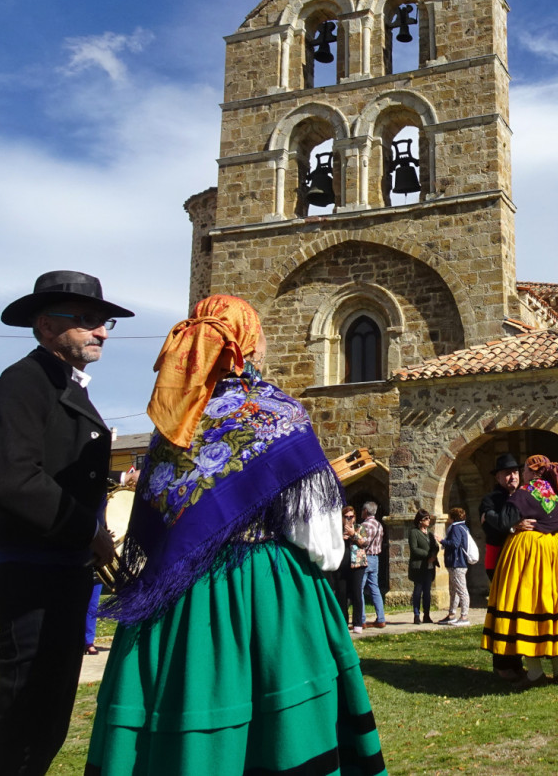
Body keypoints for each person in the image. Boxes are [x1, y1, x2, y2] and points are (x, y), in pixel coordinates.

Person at [86, 294, 385, 776]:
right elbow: (320, 538)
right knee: (277, 719)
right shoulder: (275, 415)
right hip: (262, 590)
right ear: (244, 343)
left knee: (184, 703)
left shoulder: (171, 425)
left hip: (174, 599)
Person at [0, 270, 129, 775]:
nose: (101, 331)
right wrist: (88, 530)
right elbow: (12, 476)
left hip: (60, 574)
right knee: (26, 724)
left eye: (103, 321)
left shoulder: (61, 384)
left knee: (46, 721)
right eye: (85, 320)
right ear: (45, 326)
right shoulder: (21, 384)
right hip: (32, 577)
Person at [482, 455, 558, 686]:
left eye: (522, 471)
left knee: (527, 606)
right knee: (553, 607)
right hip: (556, 552)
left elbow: (503, 522)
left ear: (529, 472)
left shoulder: (523, 494)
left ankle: (534, 672)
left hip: (528, 552)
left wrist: (494, 518)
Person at [479, 453, 535, 680]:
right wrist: (514, 527)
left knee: (520, 611)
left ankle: (517, 661)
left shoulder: (526, 495)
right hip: (499, 559)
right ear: (498, 477)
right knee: (503, 612)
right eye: (506, 473)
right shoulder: (491, 499)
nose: (511, 476)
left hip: (521, 560)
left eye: (514, 472)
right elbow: (492, 526)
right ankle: (502, 664)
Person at [439, 507, 473, 626]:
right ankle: (452, 614)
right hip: (458, 563)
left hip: (457, 563)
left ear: (452, 517)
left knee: (461, 590)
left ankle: (464, 616)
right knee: (454, 590)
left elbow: (455, 544)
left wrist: (442, 541)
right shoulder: (464, 527)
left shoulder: (456, 528)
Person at [340, 505, 369, 634]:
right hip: (341, 564)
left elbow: (365, 543)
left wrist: (353, 535)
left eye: (351, 517)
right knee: (342, 594)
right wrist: (340, 538)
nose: (349, 519)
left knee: (357, 593)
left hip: (357, 564)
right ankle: (343, 623)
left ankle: (357, 623)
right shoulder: (337, 530)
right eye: (346, 517)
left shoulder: (360, 528)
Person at [409, 509, 439, 624]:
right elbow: (414, 549)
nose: (428, 520)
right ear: (420, 520)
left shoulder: (430, 533)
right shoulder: (414, 532)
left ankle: (427, 614)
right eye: (426, 518)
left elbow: (435, 546)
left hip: (429, 567)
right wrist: (428, 556)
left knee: (427, 592)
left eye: (429, 518)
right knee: (418, 591)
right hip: (419, 567)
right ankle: (416, 614)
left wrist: (433, 555)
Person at [360, 501, 387, 629]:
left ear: (366, 511)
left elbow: (362, 543)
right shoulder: (379, 525)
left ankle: (361, 619)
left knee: (359, 588)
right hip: (375, 558)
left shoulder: (363, 526)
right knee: (375, 588)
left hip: (364, 557)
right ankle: (381, 618)